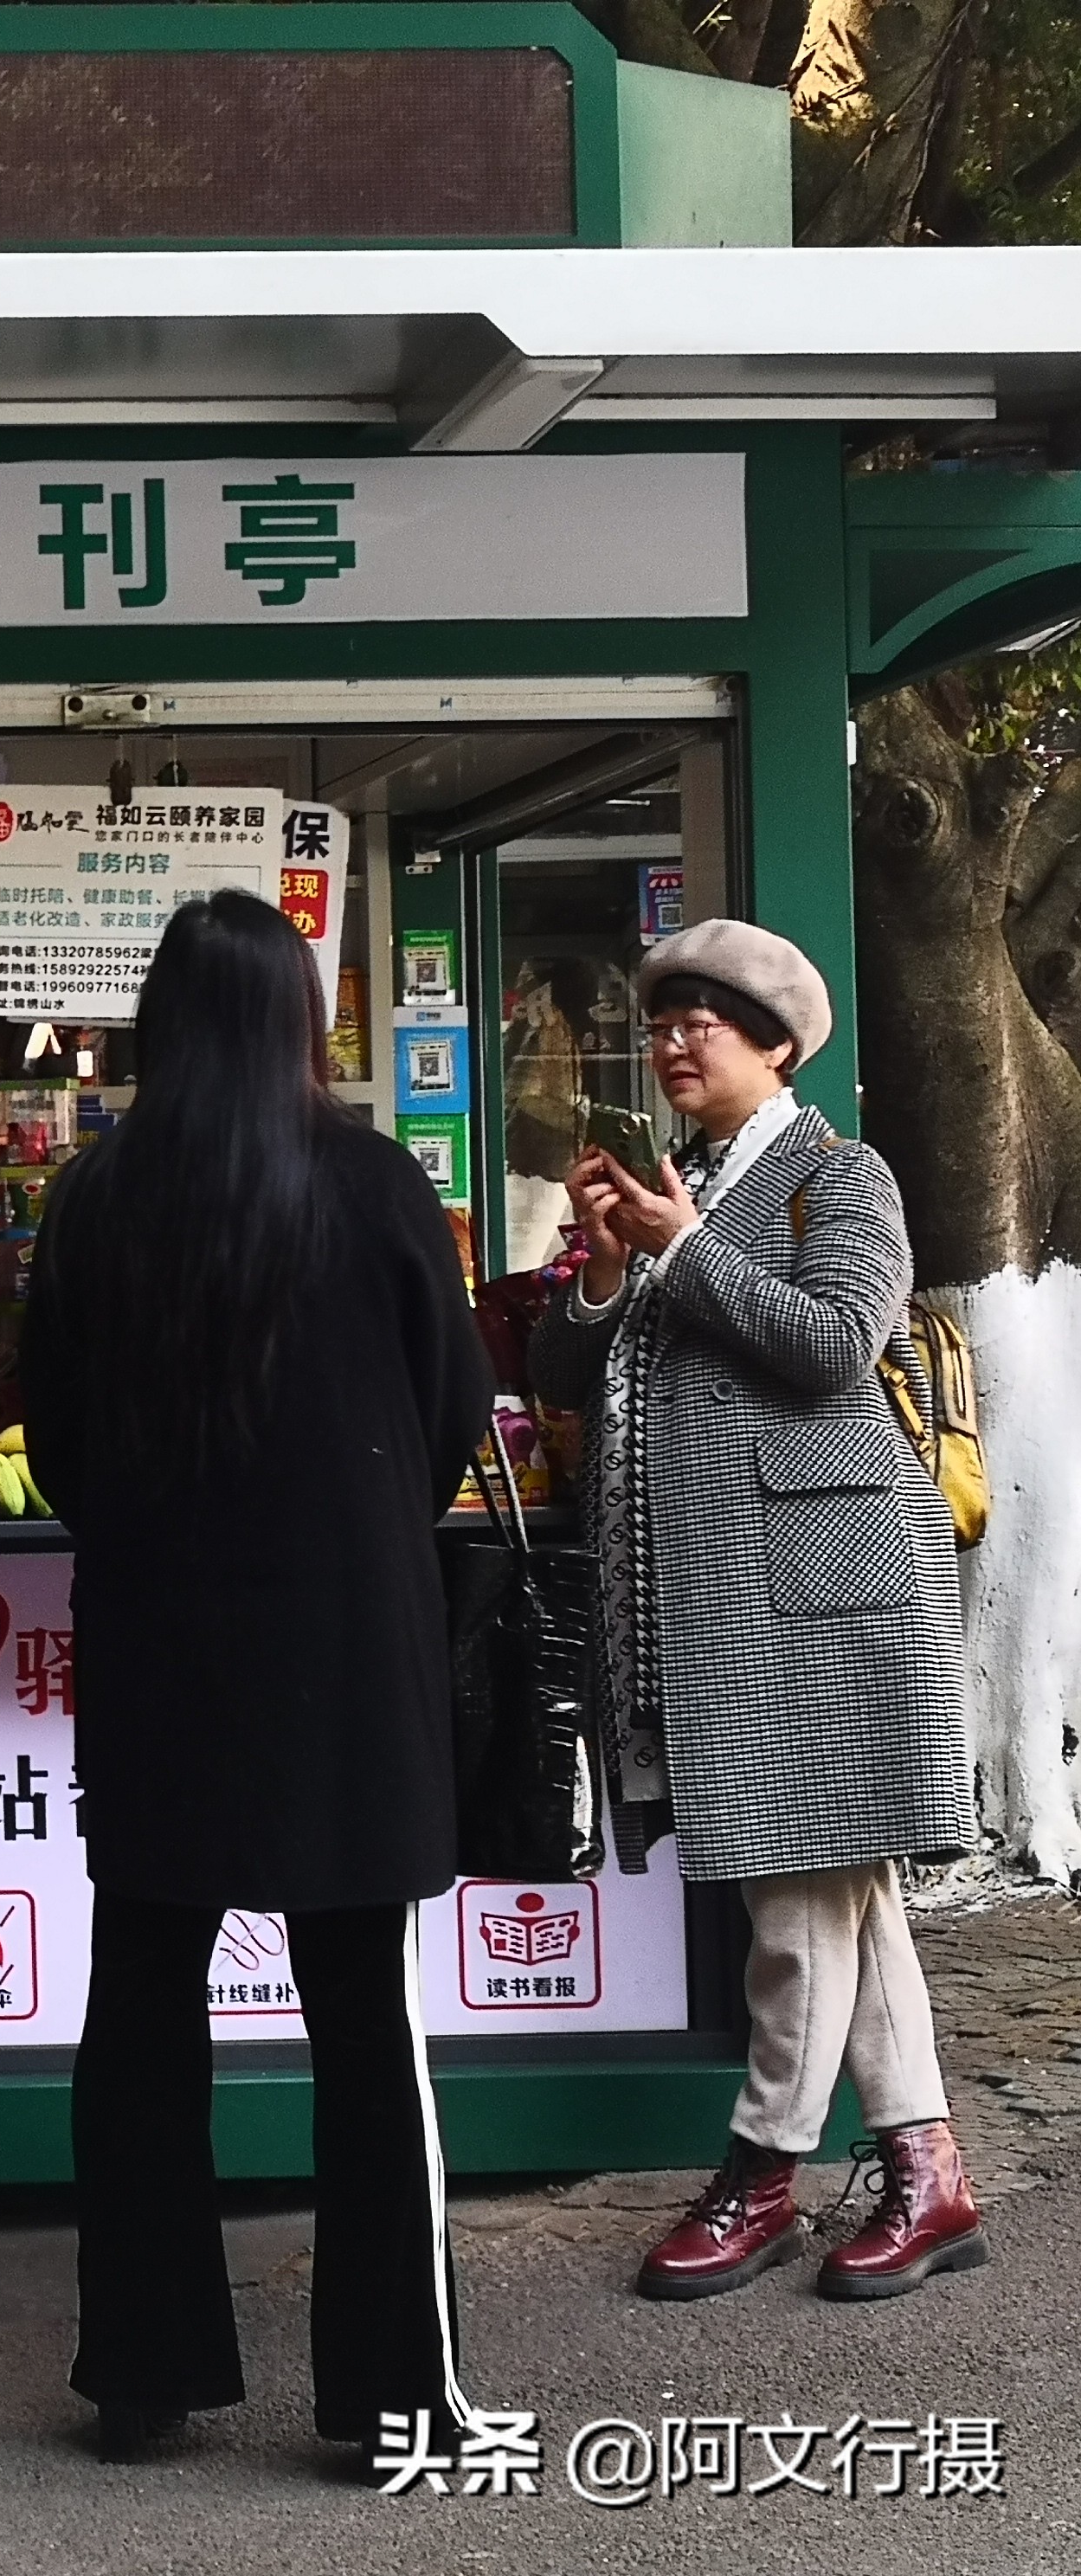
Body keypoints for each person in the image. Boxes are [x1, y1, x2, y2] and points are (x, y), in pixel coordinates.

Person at [22, 890, 493, 2465]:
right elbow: (448, 1423)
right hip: (349, 1667)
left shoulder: (96, 1199)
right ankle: (382, 2402)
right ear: (302, 1017)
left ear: (155, 1028)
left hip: (162, 1657)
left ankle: (145, 2376)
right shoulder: (375, 1185)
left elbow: (55, 1450)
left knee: (143, 2016)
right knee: (361, 2026)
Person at [529, 918, 981, 2304]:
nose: (673, 1045)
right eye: (662, 1025)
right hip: (731, 1593)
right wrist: (609, 1260)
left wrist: (677, 1251)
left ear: (775, 1047)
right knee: (846, 1889)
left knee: (798, 1899)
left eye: (703, 1025)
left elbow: (835, 1345)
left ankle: (762, 2167)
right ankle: (932, 2178)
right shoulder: (684, 1182)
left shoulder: (838, 1179)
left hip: (824, 1589)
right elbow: (562, 1364)